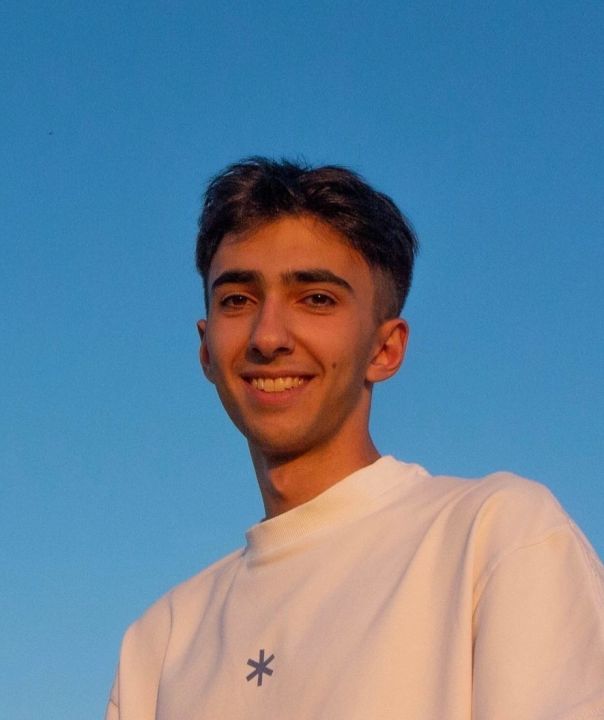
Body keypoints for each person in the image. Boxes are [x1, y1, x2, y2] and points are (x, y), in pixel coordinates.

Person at [105, 158, 604, 719]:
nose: (267, 337)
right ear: (205, 349)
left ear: (385, 349)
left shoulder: (493, 536)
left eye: (316, 298)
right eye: (237, 299)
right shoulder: (161, 643)